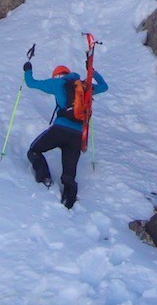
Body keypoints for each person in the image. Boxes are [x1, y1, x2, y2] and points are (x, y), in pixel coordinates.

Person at [23, 60, 107, 209]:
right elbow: (104, 86)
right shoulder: (84, 86)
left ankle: (45, 179)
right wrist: (91, 71)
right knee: (69, 174)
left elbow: (31, 83)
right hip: (77, 135)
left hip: (60, 130)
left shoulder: (57, 83)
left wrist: (28, 68)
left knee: (34, 151)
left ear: (57, 75)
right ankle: (69, 203)